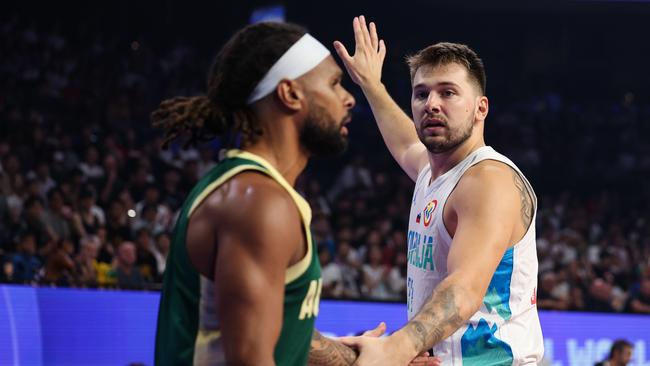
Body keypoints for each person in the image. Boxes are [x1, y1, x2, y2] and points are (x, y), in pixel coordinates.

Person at [153, 21, 438, 366]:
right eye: (334, 84)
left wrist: (354, 358)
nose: (348, 99)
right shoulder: (258, 204)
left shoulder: (249, 191)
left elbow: (274, 331)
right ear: (289, 94)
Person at [335, 16, 544, 365]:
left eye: (448, 92)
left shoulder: (488, 180)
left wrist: (396, 349)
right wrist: (371, 84)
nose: (431, 103)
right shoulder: (431, 170)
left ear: (481, 108)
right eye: (421, 94)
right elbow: (403, 143)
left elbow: (464, 289)